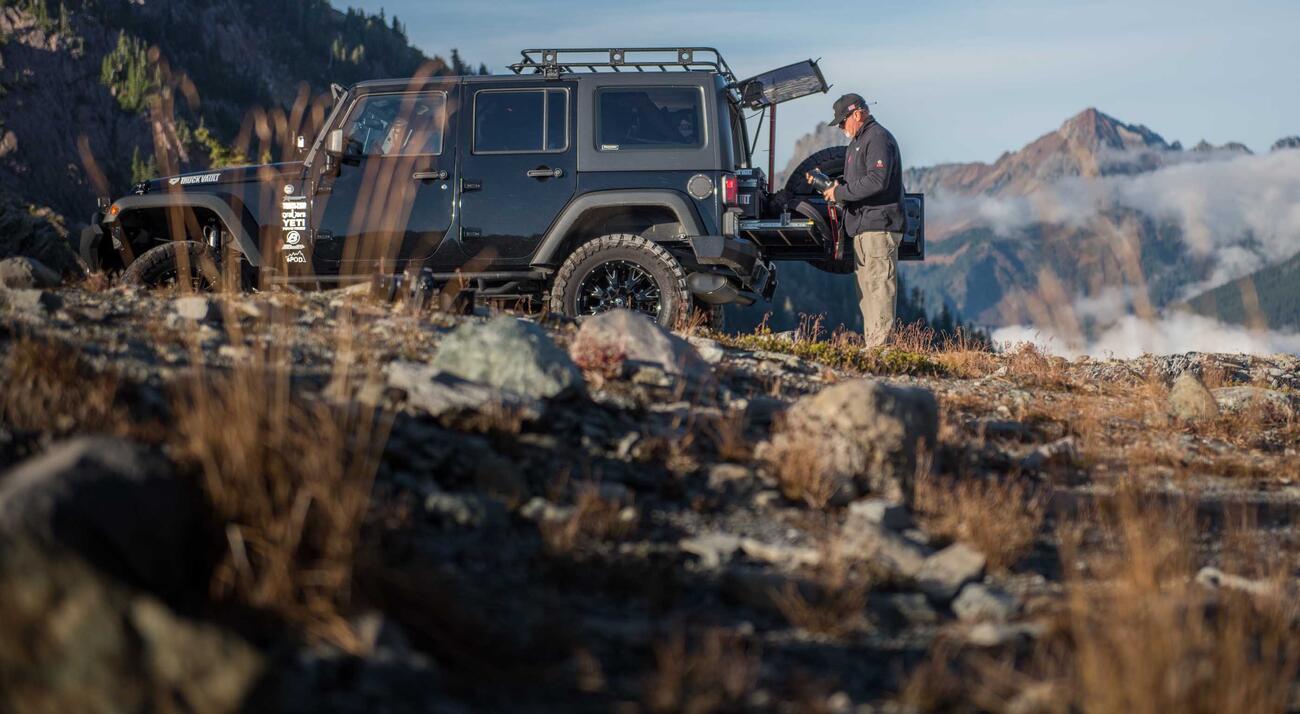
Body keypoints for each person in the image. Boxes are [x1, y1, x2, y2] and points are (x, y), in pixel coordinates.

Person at [821, 93, 906, 348]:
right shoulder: (857, 144)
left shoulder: (877, 138)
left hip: (879, 226)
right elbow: (861, 183)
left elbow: (877, 181)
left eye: (842, 121)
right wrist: (840, 189)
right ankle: (873, 345)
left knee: (879, 286)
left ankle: (880, 348)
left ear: (857, 113)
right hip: (862, 227)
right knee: (866, 291)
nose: (840, 127)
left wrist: (840, 193)